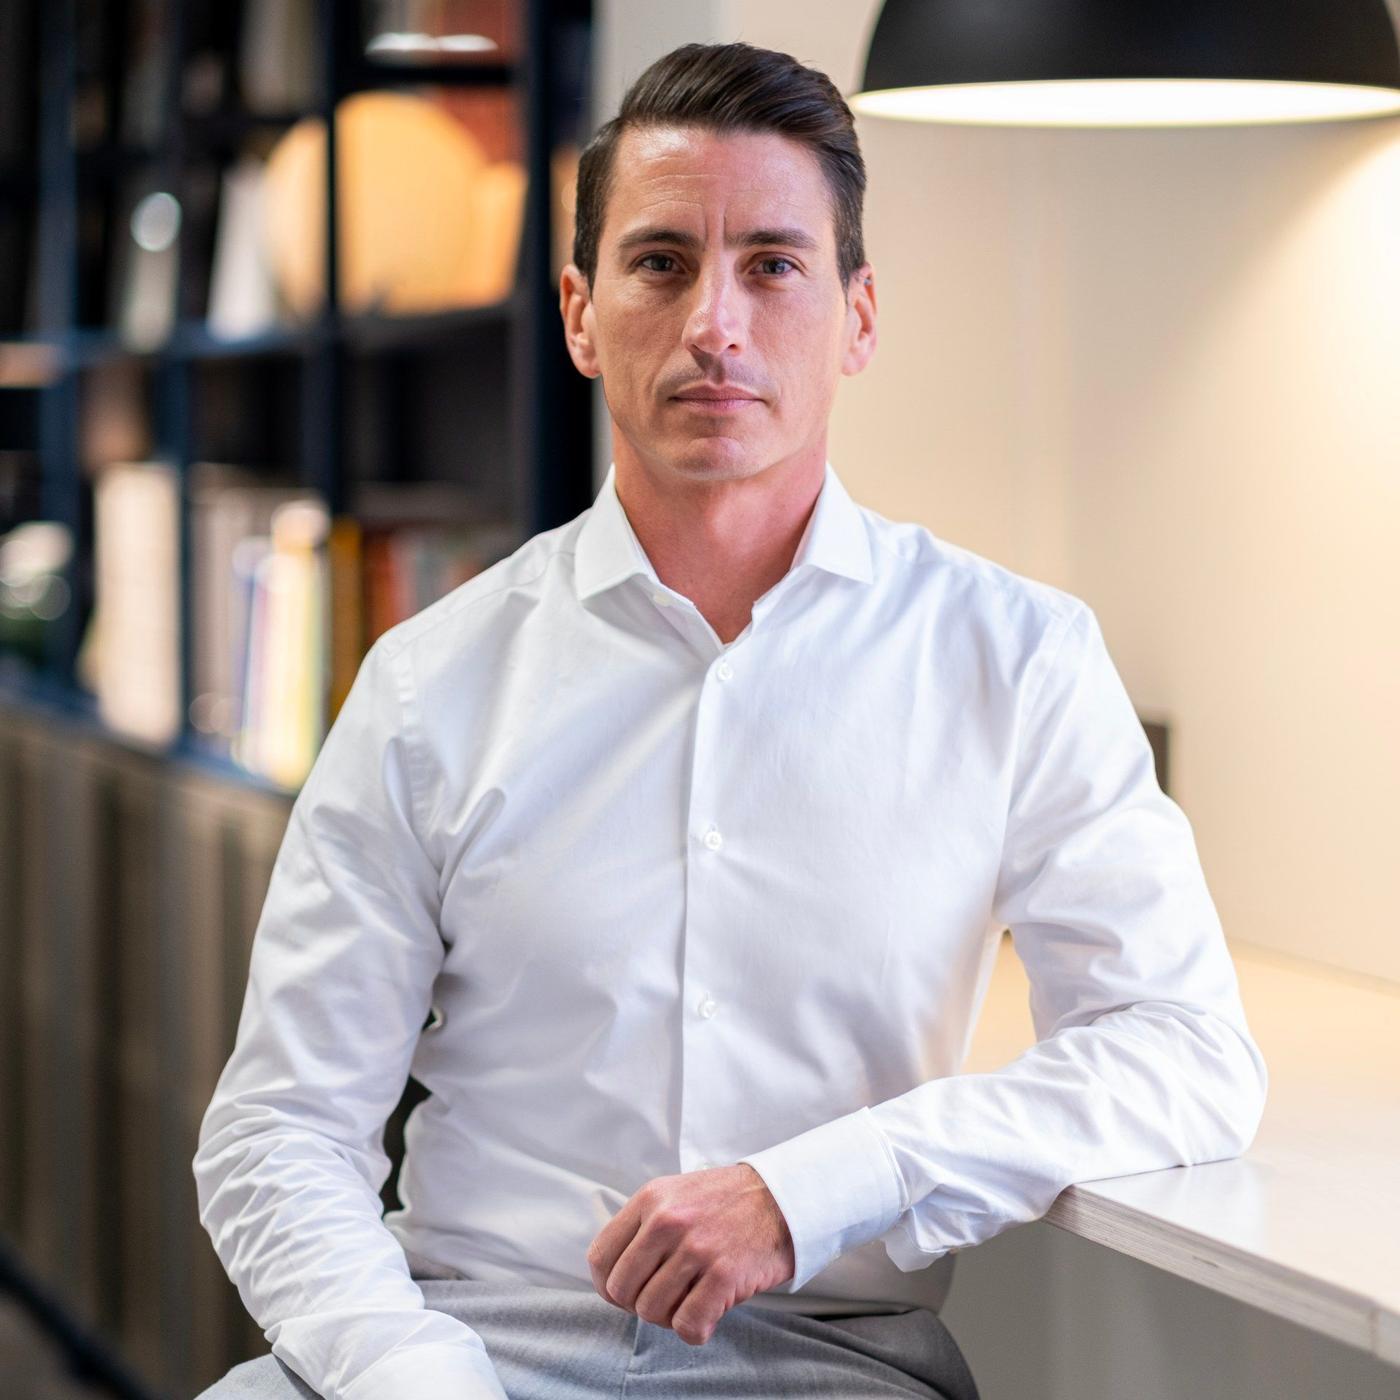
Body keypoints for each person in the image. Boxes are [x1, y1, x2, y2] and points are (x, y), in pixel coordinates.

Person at [193, 40, 1268, 1400]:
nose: (717, 323)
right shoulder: (428, 685)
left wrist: (804, 1189)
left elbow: (1184, 1052)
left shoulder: (1019, 659)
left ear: (859, 316)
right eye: (660, 264)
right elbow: (279, 1129)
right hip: (462, 1348)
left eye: (772, 264)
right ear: (580, 313)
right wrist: (417, 1381)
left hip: (827, 1360)